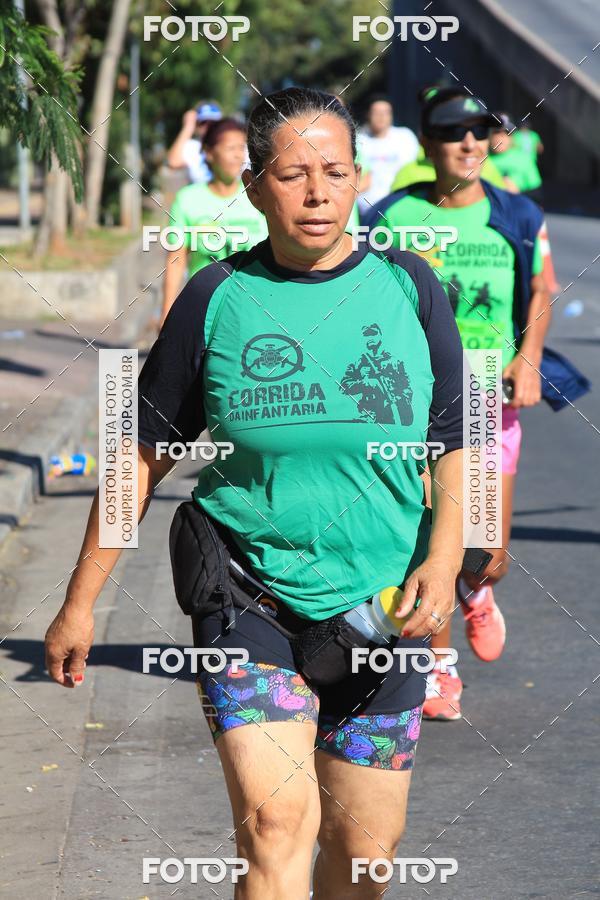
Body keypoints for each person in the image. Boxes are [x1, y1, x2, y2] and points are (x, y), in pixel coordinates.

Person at [45, 87, 467, 899]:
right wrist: (79, 600)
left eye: (336, 173)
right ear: (253, 186)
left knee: (368, 854)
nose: (317, 193)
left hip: (383, 603)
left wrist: (447, 561)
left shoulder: (412, 289)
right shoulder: (215, 297)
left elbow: (460, 445)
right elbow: (141, 453)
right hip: (250, 598)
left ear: (358, 183)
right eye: (293, 173)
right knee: (276, 831)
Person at [366, 86, 551, 721]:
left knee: (488, 550)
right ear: (427, 145)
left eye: (478, 130)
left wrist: (527, 358)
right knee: (430, 535)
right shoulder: (388, 216)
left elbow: (541, 288)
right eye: (453, 132)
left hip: (490, 397)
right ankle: (437, 667)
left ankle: (477, 589)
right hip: (422, 401)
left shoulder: (518, 215)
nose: (468, 142)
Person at [161, 117, 268, 326]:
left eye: (241, 147)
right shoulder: (187, 199)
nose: (238, 155)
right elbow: (176, 259)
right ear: (209, 153)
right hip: (204, 310)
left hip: (254, 310)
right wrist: (166, 313)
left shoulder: (258, 195)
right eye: (230, 148)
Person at [356, 95, 419, 216]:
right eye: (377, 113)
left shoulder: (405, 137)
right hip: (367, 213)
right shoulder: (358, 141)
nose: (381, 117)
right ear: (368, 115)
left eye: (386, 112)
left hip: (399, 207)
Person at [490, 114, 543, 203]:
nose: (501, 137)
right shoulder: (479, 159)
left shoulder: (524, 159)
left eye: (507, 133)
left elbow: (537, 194)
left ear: (512, 137)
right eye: (496, 132)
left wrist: (517, 194)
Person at [167, 100, 222, 183]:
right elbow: (173, 162)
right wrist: (188, 127)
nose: (208, 126)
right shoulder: (192, 146)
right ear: (196, 125)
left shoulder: (230, 144)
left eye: (213, 122)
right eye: (203, 123)